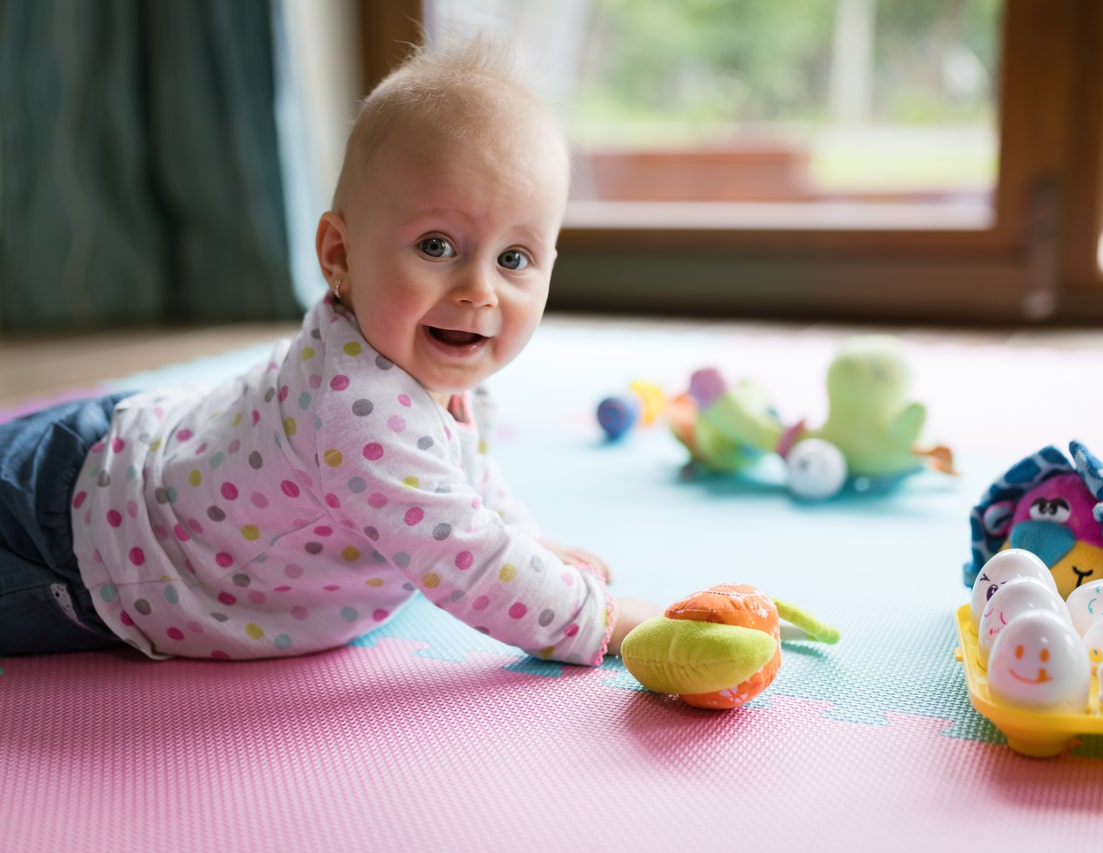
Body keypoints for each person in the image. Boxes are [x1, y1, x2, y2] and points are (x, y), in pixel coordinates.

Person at [0, 37, 661, 663]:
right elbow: (472, 562)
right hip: (93, 553)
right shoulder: (361, 417)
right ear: (339, 255)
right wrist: (605, 619)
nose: (477, 291)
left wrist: (529, 541)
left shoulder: (426, 358)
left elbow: (469, 477)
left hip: (123, 449)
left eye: (514, 257)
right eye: (437, 246)